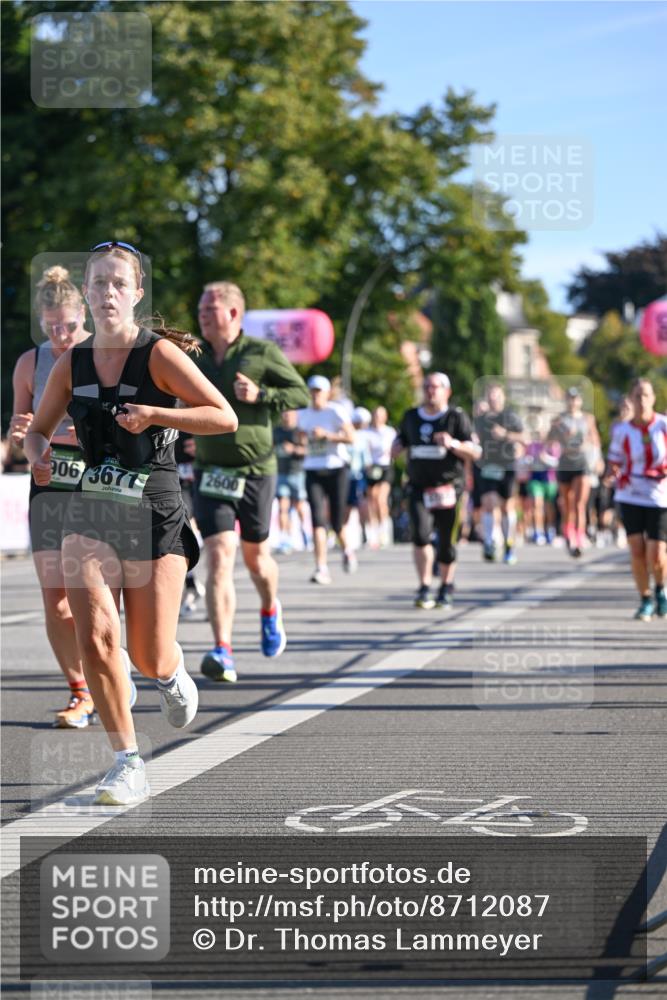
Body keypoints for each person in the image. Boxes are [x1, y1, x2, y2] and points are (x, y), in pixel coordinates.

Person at [24, 241, 238, 805]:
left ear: (138, 293)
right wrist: (37, 451)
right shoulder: (72, 362)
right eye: (98, 283)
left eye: (120, 283)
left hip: (155, 504)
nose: (108, 292)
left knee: (147, 652)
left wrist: (155, 414)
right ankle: (127, 760)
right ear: (87, 292)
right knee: (95, 633)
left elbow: (223, 416)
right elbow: (39, 429)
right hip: (91, 504)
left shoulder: (159, 356)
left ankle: (169, 674)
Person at [193, 282, 310, 683]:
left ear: (234, 314)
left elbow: (301, 395)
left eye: (211, 308)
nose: (203, 314)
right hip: (211, 472)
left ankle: (269, 607)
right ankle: (222, 649)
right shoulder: (193, 355)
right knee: (219, 553)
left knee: (256, 559)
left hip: (257, 469)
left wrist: (261, 395)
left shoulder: (262, 352)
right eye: (201, 308)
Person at [10, 265, 102, 728]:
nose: (61, 335)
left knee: (98, 593)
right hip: (49, 484)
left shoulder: (103, 353)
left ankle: (109, 670)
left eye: (67, 325)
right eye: (51, 327)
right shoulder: (30, 363)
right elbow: (22, 434)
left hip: (97, 483)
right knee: (56, 600)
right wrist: (22, 439)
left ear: (82, 313)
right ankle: (81, 691)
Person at [392, 372, 481, 609]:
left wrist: (452, 443)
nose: (431, 391)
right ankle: (423, 587)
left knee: (446, 542)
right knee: (420, 536)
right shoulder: (411, 416)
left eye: (436, 387)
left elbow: (475, 451)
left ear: (446, 391)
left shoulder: (456, 417)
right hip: (418, 487)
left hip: (449, 489)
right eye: (427, 386)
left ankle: (446, 585)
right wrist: (396, 447)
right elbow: (401, 439)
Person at [605, 378, 667, 621]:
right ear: (631, 399)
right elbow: (614, 461)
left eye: (646, 395)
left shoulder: (663, 426)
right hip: (630, 493)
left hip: (659, 495)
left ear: (653, 399)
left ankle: (661, 589)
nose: (641, 401)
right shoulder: (622, 431)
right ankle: (645, 598)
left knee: (657, 553)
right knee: (637, 550)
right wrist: (611, 474)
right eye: (637, 396)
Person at [296, 375, 356, 584]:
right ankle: (321, 567)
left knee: (337, 522)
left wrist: (327, 436)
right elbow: (301, 438)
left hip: (336, 469)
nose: (315, 395)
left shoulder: (336, 411)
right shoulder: (303, 414)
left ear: (328, 393)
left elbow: (351, 438)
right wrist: (304, 440)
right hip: (313, 469)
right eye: (312, 390)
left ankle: (347, 549)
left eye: (319, 391)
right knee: (317, 520)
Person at [474, 382, 526, 564]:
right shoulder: (481, 420)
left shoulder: (510, 417)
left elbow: (525, 438)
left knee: (507, 507)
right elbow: (473, 439)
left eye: (497, 396)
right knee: (488, 503)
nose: (493, 400)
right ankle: (489, 542)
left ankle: (509, 544)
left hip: (507, 465)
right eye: (490, 396)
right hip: (487, 465)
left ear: (503, 398)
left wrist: (505, 434)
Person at [548, 386, 601, 557]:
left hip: (582, 462)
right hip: (565, 463)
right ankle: (569, 535)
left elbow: (595, 439)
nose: (572, 402)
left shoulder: (587, 419)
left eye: (575, 398)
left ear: (580, 401)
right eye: (569, 398)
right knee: (566, 503)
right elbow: (549, 439)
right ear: (566, 400)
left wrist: (598, 459)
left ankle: (579, 537)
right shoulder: (559, 419)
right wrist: (560, 436)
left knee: (580, 503)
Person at [273, 409, 310, 555]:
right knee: (283, 507)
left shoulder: (299, 431)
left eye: (289, 414)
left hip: (297, 473)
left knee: (300, 506)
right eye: (284, 414)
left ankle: (305, 534)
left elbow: (308, 450)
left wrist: (294, 449)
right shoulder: (276, 431)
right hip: (281, 473)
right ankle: (285, 538)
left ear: (295, 416)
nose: (286, 416)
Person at [365, 406, 396, 548]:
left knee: (381, 498)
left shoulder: (390, 432)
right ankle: (373, 531)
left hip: (385, 467)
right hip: (371, 468)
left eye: (380, 415)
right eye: (375, 415)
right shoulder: (367, 432)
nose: (377, 418)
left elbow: (396, 450)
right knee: (371, 499)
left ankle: (384, 530)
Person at [345, 406, 372, 545]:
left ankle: (364, 531)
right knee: (346, 506)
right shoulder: (344, 433)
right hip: (344, 476)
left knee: (361, 503)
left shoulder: (363, 437)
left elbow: (366, 459)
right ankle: (341, 532)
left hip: (358, 476)